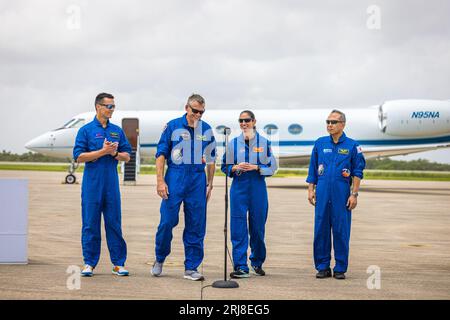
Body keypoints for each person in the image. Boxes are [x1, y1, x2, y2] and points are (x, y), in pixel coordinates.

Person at [151, 93, 216, 281]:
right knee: (167, 222)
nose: (198, 115)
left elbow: (211, 159)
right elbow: (161, 154)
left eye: (201, 112)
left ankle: (191, 267)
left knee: (196, 224)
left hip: (197, 180)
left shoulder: (207, 129)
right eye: (195, 111)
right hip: (175, 177)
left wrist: (209, 184)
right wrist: (160, 181)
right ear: (186, 108)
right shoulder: (172, 126)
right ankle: (160, 258)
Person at [73, 92, 132, 277]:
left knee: (114, 223)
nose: (112, 109)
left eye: (113, 106)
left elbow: (127, 156)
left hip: (111, 184)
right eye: (109, 106)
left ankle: (118, 263)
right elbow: (79, 156)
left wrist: (114, 153)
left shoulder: (117, 131)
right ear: (98, 107)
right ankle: (89, 263)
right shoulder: (86, 130)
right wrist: (102, 151)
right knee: (90, 223)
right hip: (92, 184)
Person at [306, 109, 366, 280]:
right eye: (327, 122)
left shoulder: (353, 146)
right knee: (321, 231)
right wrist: (311, 189)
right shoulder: (320, 143)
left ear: (343, 124)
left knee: (341, 231)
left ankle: (340, 267)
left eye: (333, 122)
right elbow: (313, 169)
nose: (329, 125)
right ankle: (323, 266)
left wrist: (354, 194)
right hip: (323, 193)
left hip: (341, 194)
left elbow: (357, 172)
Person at [221, 110, 278, 278]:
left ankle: (257, 262)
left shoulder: (264, 142)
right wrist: (234, 167)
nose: (243, 123)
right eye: (241, 120)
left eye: (247, 120)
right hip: (239, 188)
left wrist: (257, 168)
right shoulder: (233, 144)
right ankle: (240, 266)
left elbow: (273, 167)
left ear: (254, 121)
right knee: (238, 227)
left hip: (257, 188)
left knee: (258, 228)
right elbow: (224, 166)